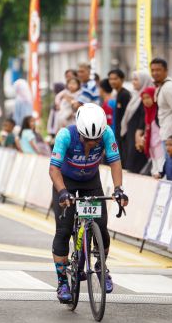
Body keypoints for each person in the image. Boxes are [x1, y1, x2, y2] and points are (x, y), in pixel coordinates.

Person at [49, 103, 128, 303]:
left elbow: (115, 162)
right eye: (87, 139)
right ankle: (62, 282)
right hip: (65, 181)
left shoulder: (107, 133)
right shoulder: (65, 136)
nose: (92, 144)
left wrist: (118, 189)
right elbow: (54, 169)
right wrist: (63, 192)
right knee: (63, 231)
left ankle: (101, 266)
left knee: (101, 227)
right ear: (79, 132)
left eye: (96, 140)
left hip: (91, 181)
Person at [120, 70, 152, 173]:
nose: (133, 82)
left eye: (136, 80)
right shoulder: (135, 96)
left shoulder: (146, 97)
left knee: (135, 163)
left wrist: (139, 133)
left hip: (138, 135)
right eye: (133, 79)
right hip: (131, 133)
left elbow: (144, 117)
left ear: (143, 81)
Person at [150, 58, 172, 147]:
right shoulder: (162, 86)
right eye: (152, 70)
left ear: (166, 71)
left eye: (158, 70)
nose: (155, 73)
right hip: (167, 134)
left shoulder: (168, 88)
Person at [135, 86, 163, 174]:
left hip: (160, 146)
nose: (146, 101)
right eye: (143, 98)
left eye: (148, 97)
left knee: (160, 170)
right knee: (154, 170)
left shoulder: (159, 112)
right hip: (152, 147)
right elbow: (148, 130)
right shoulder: (148, 113)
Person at [108, 68, 131, 163]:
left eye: (115, 79)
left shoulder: (124, 94)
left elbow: (126, 115)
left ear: (122, 79)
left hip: (124, 133)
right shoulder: (118, 93)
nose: (112, 81)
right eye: (110, 79)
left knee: (123, 158)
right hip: (118, 131)